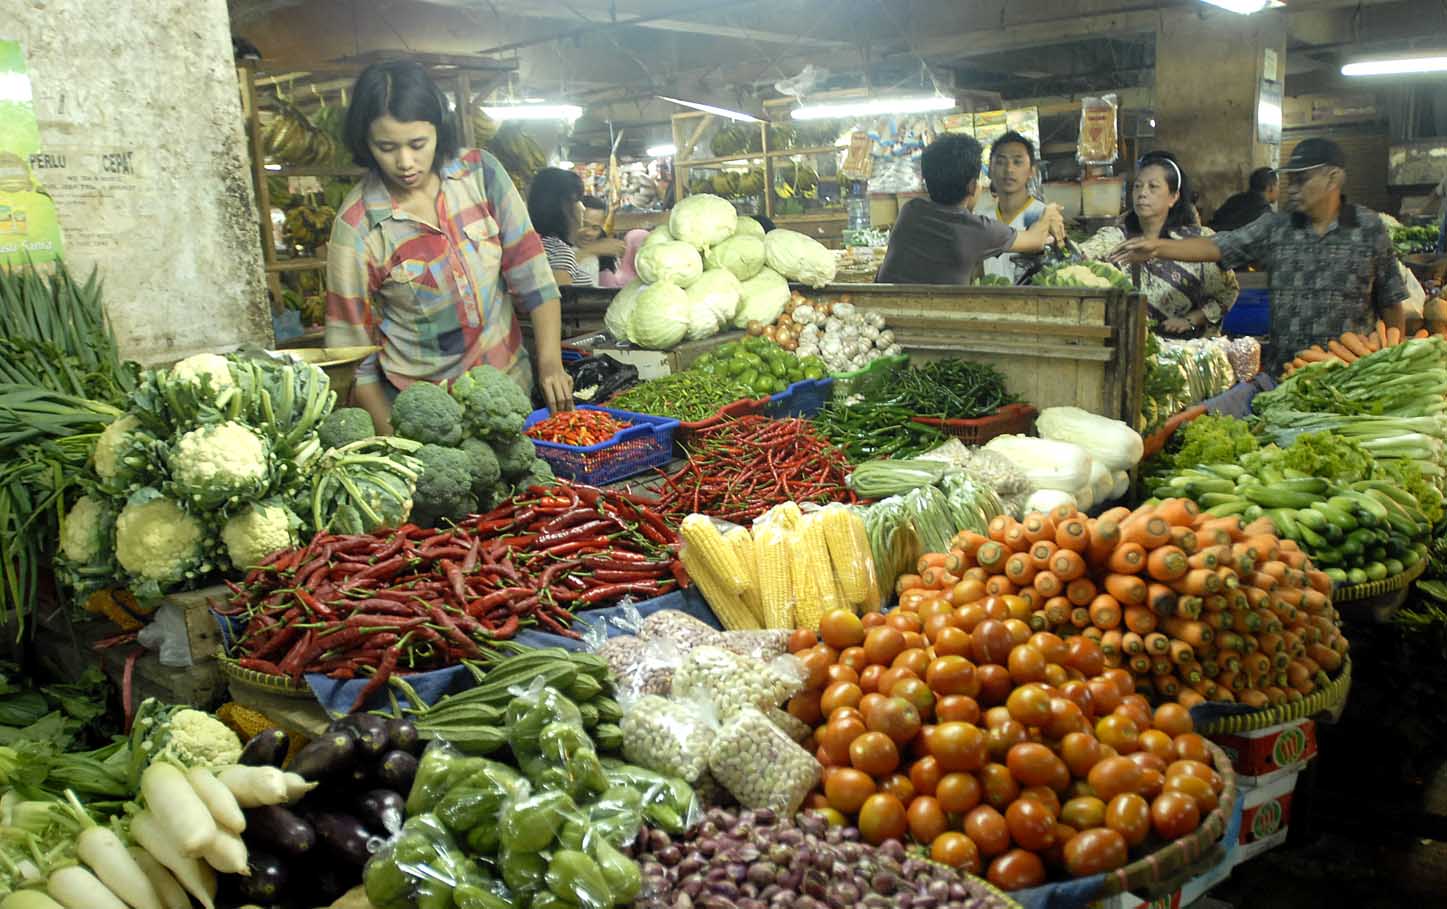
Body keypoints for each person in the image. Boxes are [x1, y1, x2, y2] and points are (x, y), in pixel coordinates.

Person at [325, 60, 573, 432]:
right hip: (423, 417)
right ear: (365, 143)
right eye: (386, 147)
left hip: (511, 392)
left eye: (417, 144)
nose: (405, 162)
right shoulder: (357, 227)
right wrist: (396, 442)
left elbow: (533, 275)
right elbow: (352, 358)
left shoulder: (482, 175)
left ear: (439, 130)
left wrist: (550, 362)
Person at [1111, 138, 1406, 372]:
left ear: (1333, 179)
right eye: (1290, 180)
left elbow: (1392, 302)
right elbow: (1218, 246)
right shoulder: (1276, 227)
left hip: (1351, 369)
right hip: (1289, 370)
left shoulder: (1368, 228)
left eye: (1302, 179)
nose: (1291, 189)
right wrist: (1157, 247)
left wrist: (1391, 364)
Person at [1078, 151, 1238, 338]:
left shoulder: (1199, 241)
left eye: (1153, 187)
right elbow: (1076, 258)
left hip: (1181, 352)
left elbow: (1228, 291)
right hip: (1126, 346)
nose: (1142, 193)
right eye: (1137, 186)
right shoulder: (1113, 238)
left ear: (1173, 197)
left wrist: (1191, 319)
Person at [876, 133, 1065, 285]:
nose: (1009, 169)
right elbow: (1036, 240)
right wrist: (1050, 212)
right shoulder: (976, 229)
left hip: (883, 316)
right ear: (972, 187)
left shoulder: (910, 211)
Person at [527, 168, 626, 288]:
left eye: (595, 228)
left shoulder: (533, 245)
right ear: (564, 205)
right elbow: (562, 305)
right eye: (577, 200)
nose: (583, 208)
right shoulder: (559, 252)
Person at [975, 130, 1047, 283]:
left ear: (1031, 171)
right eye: (1000, 162)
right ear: (990, 170)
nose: (1009, 169)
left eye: (1017, 162)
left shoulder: (1042, 217)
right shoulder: (980, 219)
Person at [1210, 167, 1278, 231]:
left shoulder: (1234, 199)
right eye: (1277, 185)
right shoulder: (1266, 216)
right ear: (1270, 188)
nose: (1278, 189)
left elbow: (1215, 220)